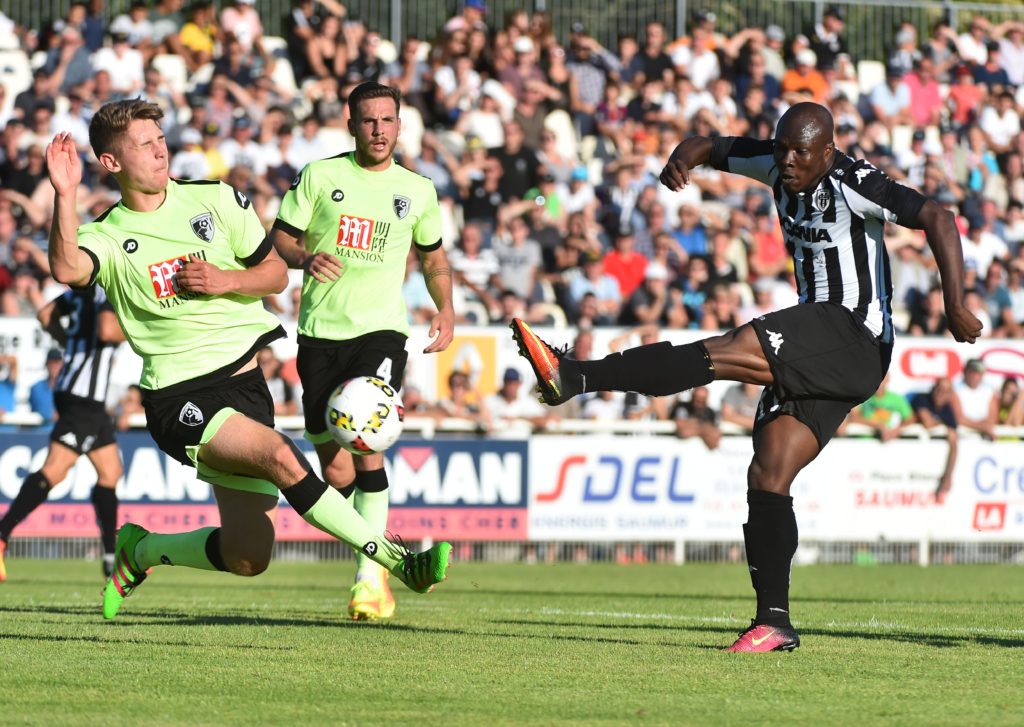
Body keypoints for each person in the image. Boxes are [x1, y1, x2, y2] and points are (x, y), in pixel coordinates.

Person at [509, 102, 981, 652]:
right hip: (824, 349)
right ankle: (773, 622)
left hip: (852, 334)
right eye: (781, 149)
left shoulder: (856, 181)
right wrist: (685, 156)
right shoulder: (775, 162)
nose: (786, 162)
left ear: (827, 151)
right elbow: (713, 147)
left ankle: (574, 376)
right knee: (768, 472)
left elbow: (939, 218)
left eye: (800, 152)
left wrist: (954, 303)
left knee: (723, 350)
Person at [45, 99, 450, 621]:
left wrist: (226, 280)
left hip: (246, 387)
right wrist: (65, 194)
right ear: (112, 162)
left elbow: (275, 274)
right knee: (284, 456)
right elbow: (66, 267)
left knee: (247, 556)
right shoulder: (105, 233)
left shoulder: (215, 200)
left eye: (160, 139)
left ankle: (141, 551)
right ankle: (397, 563)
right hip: (180, 396)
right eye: (144, 145)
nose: (160, 151)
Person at [270, 82, 455, 621]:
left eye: (388, 120)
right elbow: (280, 239)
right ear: (351, 125)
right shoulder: (320, 176)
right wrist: (305, 257)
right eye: (369, 120)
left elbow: (434, 256)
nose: (379, 129)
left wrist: (445, 306)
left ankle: (370, 580)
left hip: (381, 334)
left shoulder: (417, 190)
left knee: (368, 439)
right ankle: (374, 559)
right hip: (319, 335)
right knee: (339, 474)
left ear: (400, 126)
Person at [0, 286, 124, 582]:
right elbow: (108, 331)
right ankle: (2, 535)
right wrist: (146, 329)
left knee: (110, 471)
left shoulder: (83, 289)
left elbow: (45, 315)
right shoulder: (110, 287)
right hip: (83, 398)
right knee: (55, 471)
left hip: (86, 398)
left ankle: (110, 556)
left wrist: (72, 345)